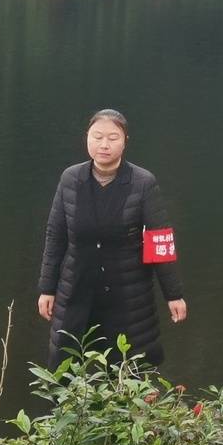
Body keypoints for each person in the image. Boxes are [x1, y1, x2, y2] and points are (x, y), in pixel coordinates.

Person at [37, 109, 187, 368]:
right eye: (97, 137)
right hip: (75, 290)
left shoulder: (143, 183)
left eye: (113, 138)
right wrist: (47, 288)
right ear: (87, 138)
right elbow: (55, 235)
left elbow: (159, 242)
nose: (104, 145)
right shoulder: (71, 179)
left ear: (125, 141)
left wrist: (174, 295)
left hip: (128, 295)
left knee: (127, 367)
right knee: (66, 365)